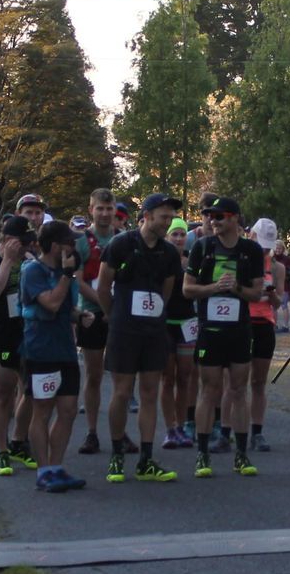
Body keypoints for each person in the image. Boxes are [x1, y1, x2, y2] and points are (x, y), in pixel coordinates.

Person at [95, 192, 182, 483]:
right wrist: (114, 316)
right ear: (145, 216)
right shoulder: (121, 244)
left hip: (153, 330)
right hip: (124, 329)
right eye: (163, 217)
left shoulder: (169, 253)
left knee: (149, 393)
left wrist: (154, 316)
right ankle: (117, 455)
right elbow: (103, 288)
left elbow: (166, 292)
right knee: (121, 392)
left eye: (170, 218)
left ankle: (146, 459)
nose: (167, 223)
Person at [183, 194, 265, 477]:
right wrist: (215, 288)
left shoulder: (251, 250)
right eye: (210, 216)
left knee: (239, 390)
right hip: (210, 330)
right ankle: (202, 455)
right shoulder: (202, 247)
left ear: (234, 218)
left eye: (219, 216)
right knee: (209, 390)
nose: (213, 221)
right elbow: (187, 289)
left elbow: (257, 292)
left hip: (239, 330)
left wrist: (236, 290)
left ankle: (241, 454)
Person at [22, 219, 88, 492]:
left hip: (65, 348)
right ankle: (44, 469)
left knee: (69, 410)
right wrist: (66, 276)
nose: (72, 247)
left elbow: (66, 307)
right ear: (53, 246)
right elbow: (49, 303)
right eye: (67, 243)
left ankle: (57, 467)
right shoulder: (32, 271)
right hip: (40, 348)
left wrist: (81, 315)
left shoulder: (67, 274)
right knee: (43, 409)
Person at [0, 215, 37, 475]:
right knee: (3, 391)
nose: (25, 246)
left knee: (32, 390)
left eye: (28, 241)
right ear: (6, 239)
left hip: (27, 332)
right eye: (20, 241)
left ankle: (18, 441)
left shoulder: (29, 260)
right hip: (1, 334)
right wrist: (9, 261)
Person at [74, 188, 124, 456]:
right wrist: (106, 305)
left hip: (118, 316)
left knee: (122, 378)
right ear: (91, 209)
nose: (105, 213)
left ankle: (121, 431)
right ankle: (92, 432)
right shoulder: (82, 242)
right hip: (93, 314)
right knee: (93, 376)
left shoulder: (123, 240)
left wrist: (115, 310)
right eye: (99, 208)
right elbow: (79, 282)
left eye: (109, 208)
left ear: (115, 209)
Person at [159, 218, 200, 449]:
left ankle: (183, 426)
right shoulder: (161, 260)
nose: (178, 238)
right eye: (174, 234)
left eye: (181, 234)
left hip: (187, 322)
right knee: (167, 378)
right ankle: (170, 428)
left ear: (187, 237)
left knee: (185, 376)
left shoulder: (191, 261)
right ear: (167, 236)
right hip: (165, 323)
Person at [245, 217, 283, 452]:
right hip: (242, 323)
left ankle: (257, 432)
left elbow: (279, 302)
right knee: (235, 382)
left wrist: (271, 295)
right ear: (252, 238)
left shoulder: (276, 267)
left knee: (259, 382)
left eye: (268, 247)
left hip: (264, 324)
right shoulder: (242, 260)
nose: (265, 251)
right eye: (262, 246)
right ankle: (226, 429)